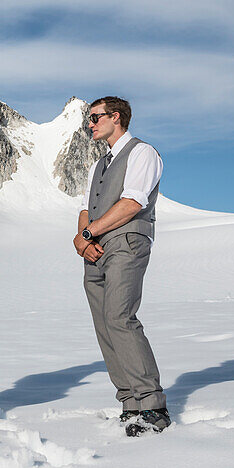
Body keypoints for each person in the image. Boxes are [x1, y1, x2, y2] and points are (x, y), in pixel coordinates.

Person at [74, 97, 169, 437]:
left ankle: (152, 404)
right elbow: (87, 207)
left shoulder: (142, 153)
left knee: (120, 317)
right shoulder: (98, 165)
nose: (90, 124)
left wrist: (89, 232)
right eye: (89, 119)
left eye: (96, 117)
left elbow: (133, 202)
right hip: (96, 248)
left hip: (127, 242)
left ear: (116, 117)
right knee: (104, 323)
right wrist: (81, 238)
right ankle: (130, 402)